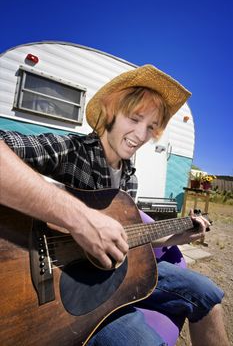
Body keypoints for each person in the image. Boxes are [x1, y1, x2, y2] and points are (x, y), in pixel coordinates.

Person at [0, 65, 229, 346]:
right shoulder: (72, 151)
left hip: (114, 278)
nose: (141, 135)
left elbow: (128, 237)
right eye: (134, 119)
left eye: (150, 127)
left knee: (208, 294)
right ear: (111, 113)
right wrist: (81, 219)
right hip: (62, 298)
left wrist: (180, 235)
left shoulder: (129, 177)